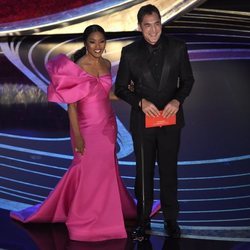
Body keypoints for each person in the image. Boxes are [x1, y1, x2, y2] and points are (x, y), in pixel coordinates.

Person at [10, 24, 136, 242]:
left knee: (106, 171)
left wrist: (125, 91)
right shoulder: (78, 67)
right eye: (93, 42)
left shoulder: (106, 63)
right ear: (85, 43)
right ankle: (85, 219)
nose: (98, 46)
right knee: (86, 170)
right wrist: (77, 135)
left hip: (107, 124)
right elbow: (72, 106)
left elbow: (103, 93)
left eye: (101, 41)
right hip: (85, 127)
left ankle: (108, 215)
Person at [115, 4, 194, 239]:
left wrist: (177, 101)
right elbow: (120, 88)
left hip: (170, 121)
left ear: (162, 23)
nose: (153, 30)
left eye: (157, 23)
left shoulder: (178, 47)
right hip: (143, 123)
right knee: (143, 173)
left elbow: (188, 80)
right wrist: (140, 102)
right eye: (147, 25)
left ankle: (171, 220)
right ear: (140, 27)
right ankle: (143, 220)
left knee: (169, 172)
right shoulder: (129, 52)